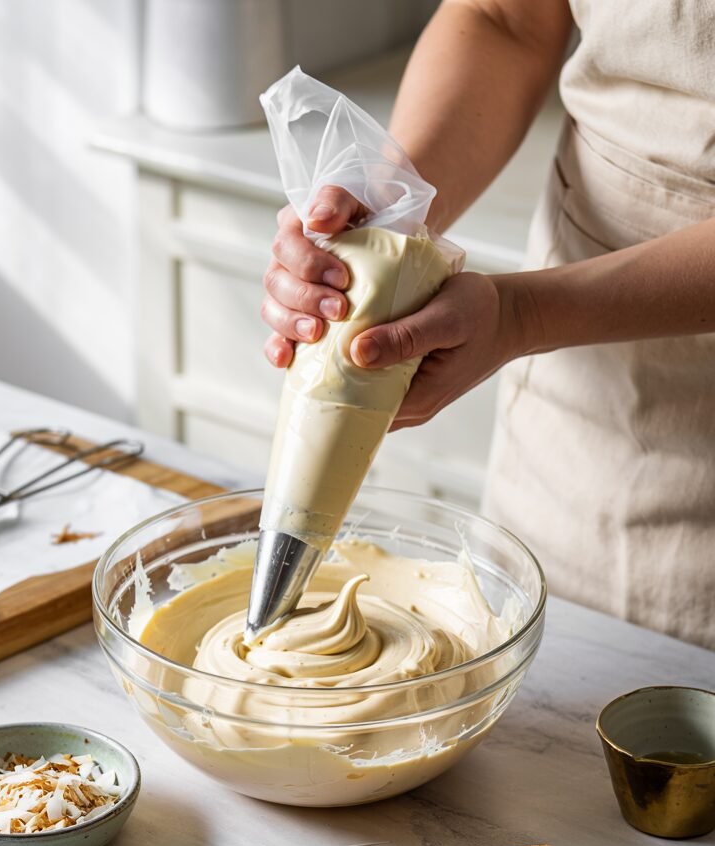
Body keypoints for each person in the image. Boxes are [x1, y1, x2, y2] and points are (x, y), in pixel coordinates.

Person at [261, 0, 715, 650]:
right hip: (570, 431)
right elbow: (504, 19)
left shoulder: (525, 315)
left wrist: (525, 314)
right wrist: (390, 215)